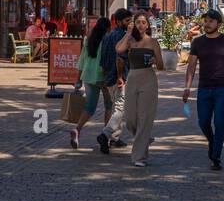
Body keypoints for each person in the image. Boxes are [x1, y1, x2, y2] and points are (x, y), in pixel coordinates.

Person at [182, 8, 224, 170]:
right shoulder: (198, 42)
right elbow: (191, 66)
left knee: (219, 121)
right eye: (206, 21)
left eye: (211, 21)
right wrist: (187, 87)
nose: (207, 24)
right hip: (204, 88)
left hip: (222, 88)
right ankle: (212, 140)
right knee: (203, 122)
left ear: (219, 24)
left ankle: (216, 156)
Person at [115, 12, 163, 167]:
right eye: (137, 22)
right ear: (133, 25)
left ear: (147, 25)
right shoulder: (130, 41)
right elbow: (118, 49)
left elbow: (162, 66)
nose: (140, 25)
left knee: (144, 118)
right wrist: (128, 33)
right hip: (133, 78)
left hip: (148, 79)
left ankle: (139, 157)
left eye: (143, 22)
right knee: (129, 119)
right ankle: (144, 138)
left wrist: (156, 61)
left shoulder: (153, 42)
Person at [70, 17, 111, 149]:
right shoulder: (107, 40)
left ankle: (77, 129)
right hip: (103, 77)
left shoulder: (88, 40)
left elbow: (81, 61)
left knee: (90, 107)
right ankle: (106, 135)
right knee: (109, 106)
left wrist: (78, 81)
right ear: (108, 28)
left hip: (88, 76)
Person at [96, 9, 132, 153]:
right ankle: (105, 135)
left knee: (118, 108)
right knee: (120, 108)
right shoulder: (124, 37)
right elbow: (120, 59)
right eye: (127, 20)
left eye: (130, 20)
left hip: (109, 78)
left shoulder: (107, 37)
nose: (130, 23)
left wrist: (106, 77)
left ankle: (114, 138)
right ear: (118, 21)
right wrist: (120, 77)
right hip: (120, 78)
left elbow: (102, 60)